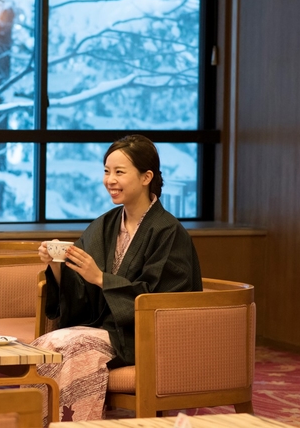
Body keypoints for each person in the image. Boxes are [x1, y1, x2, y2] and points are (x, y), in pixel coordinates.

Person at [32, 134, 202, 423]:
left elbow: (159, 300)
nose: (110, 180)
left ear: (147, 176)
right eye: (107, 171)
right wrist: (57, 265)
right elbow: (79, 292)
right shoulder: (105, 225)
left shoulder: (168, 232)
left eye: (119, 172)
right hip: (106, 330)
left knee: (75, 348)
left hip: (143, 337)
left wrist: (101, 278)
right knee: (45, 345)